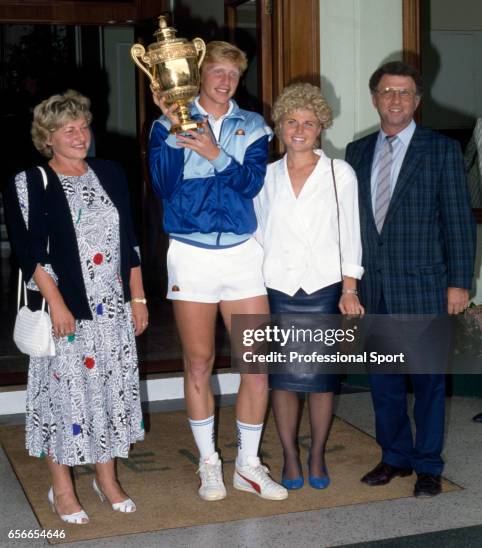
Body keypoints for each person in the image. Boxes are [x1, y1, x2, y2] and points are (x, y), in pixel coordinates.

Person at [149, 41, 287, 501]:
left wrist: (213, 153)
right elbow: (164, 185)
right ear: (198, 75)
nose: (224, 80)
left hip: (243, 254)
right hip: (191, 254)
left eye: (233, 72)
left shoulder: (254, 126)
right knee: (200, 362)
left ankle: (248, 466)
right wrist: (173, 128)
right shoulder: (166, 123)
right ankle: (209, 464)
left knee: (257, 364)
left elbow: (250, 183)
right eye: (216, 71)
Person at [4, 90, 146, 524]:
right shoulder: (29, 181)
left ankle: (107, 480)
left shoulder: (110, 172)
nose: (79, 135)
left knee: (109, 391)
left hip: (112, 308)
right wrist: (58, 304)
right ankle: (61, 488)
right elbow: (29, 253)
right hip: (67, 308)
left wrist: (136, 297)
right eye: (68, 129)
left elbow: (130, 243)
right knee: (63, 398)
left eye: (83, 126)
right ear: (47, 137)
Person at [345, 61, 476, 498]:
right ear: (375, 98)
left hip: (424, 287)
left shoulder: (440, 150)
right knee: (384, 383)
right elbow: (351, 224)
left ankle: (428, 465)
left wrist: (460, 284)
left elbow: (458, 222)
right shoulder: (357, 151)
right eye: (387, 91)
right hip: (375, 290)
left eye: (404, 93)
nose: (396, 100)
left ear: (417, 101)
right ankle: (394, 457)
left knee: (428, 384)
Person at [254, 82, 364, 490]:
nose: (299, 129)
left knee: (321, 381)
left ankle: (317, 452)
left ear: (321, 127)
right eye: (291, 121)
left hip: (323, 288)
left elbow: (351, 233)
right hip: (277, 287)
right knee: (282, 379)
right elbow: (257, 234)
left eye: (309, 122)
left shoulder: (340, 173)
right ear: (280, 126)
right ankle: (290, 455)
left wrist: (349, 289)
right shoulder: (264, 177)